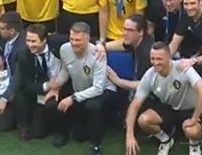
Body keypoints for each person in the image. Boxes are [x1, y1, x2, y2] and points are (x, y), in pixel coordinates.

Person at [125, 42, 202, 155]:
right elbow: (134, 105)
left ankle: (194, 146)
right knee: (143, 120)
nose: (155, 63)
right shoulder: (150, 75)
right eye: (152, 59)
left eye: (159, 59)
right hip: (171, 107)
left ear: (169, 57)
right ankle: (166, 140)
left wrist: (194, 119)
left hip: (191, 109)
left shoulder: (182, 68)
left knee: (192, 131)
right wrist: (129, 135)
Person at [45, 22, 117, 154]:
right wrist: (55, 86)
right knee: (55, 101)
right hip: (80, 89)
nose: (73, 43)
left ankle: (96, 145)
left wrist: (72, 98)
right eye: (71, 39)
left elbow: (98, 88)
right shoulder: (64, 49)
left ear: (88, 39)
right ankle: (62, 134)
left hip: (103, 91)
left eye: (78, 40)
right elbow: (66, 70)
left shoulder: (98, 54)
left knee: (93, 106)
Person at [10, 24, 64, 141]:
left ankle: (60, 131)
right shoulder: (24, 55)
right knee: (20, 96)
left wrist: (100, 44)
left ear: (44, 40)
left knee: (53, 105)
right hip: (39, 90)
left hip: (61, 88)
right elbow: (26, 84)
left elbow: (81, 38)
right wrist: (47, 86)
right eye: (28, 41)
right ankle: (24, 127)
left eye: (33, 41)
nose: (30, 45)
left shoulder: (57, 43)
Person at [0, 12, 29, 132]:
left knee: (19, 97)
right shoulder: (6, 39)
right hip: (7, 79)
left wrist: (4, 99)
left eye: (1, 28)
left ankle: (24, 124)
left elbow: (18, 77)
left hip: (22, 85)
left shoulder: (22, 48)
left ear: (12, 31)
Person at [103, 14, 155, 90]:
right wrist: (101, 45)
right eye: (124, 29)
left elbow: (144, 85)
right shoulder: (137, 40)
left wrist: (118, 81)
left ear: (141, 32)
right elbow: (121, 45)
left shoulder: (146, 54)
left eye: (130, 30)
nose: (125, 33)